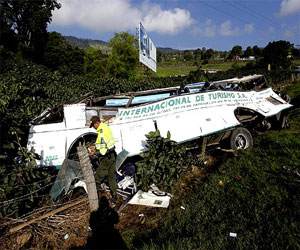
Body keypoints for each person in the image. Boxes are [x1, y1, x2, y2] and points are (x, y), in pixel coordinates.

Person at [89, 116, 117, 206]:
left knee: (97, 179)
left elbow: (103, 150)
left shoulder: (102, 132)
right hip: (112, 156)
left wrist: (94, 152)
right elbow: (102, 144)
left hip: (106, 158)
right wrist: (95, 147)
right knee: (111, 177)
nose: (93, 127)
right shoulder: (105, 128)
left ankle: (97, 200)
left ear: (97, 123)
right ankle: (114, 197)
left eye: (93, 125)